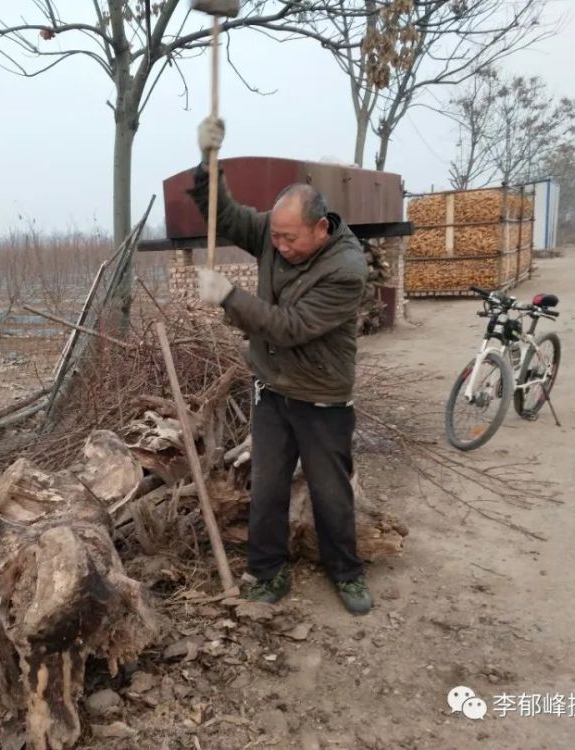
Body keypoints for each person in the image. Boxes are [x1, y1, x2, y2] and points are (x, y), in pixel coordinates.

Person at [188, 116, 373, 614]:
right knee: (266, 488)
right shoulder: (276, 235)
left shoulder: (345, 271)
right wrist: (209, 165)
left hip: (322, 399)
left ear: (321, 227)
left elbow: (288, 326)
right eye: (275, 236)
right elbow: (223, 217)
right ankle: (268, 573)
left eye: (291, 239)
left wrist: (228, 295)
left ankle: (346, 573)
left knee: (331, 493)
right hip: (272, 392)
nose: (281, 247)